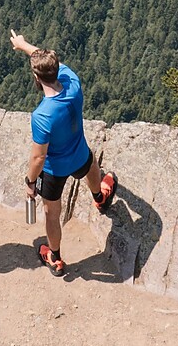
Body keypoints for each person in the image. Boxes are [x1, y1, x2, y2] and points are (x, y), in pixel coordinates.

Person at [11, 29, 117, 276]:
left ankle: (56, 258)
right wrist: (25, 45)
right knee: (92, 167)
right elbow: (48, 63)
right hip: (79, 154)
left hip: (53, 171)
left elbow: (38, 157)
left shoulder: (42, 115)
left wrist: (30, 183)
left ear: (36, 77)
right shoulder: (72, 82)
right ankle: (100, 197)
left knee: (52, 213)